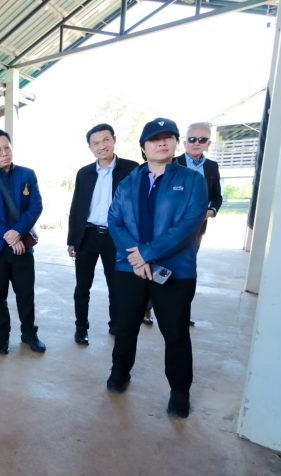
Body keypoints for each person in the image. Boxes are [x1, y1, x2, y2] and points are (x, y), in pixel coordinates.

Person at [106, 118, 207, 418]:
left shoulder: (192, 180)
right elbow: (115, 221)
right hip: (131, 270)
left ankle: (179, 392)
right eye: (154, 139)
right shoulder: (129, 182)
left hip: (175, 271)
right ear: (143, 147)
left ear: (175, 143)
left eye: (168, 137)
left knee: (175, 333)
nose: (162, 142)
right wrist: (136, 258)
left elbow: (189, 225)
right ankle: (119, 372)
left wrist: (147, 253)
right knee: (125, 326)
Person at [0, 129, 45, 355]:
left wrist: (18, 231)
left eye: (7, 148)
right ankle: (2, 337)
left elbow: (36, 206)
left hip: (22, 247)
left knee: (26, 294)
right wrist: (10, 235)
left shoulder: (27, 174)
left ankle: (29, 334)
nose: (4, 153)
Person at [67, 123, 138, 344]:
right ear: (90, 147)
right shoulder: (84, 173)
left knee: (116, 286)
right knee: (82, 286)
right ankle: (81, 328)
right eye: (96, 143)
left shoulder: (131, 169)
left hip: (116, 237)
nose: (101, 146)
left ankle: (116, 325)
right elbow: (76, 207)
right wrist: (72, 240)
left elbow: (137, 207)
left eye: (105, 140)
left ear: (114, 139)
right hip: (87, 235)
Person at [176, 122, 223, 250]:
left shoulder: (212, 167)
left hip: (198, 226)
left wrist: (210, 212)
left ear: (208, 143)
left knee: (191, 257)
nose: (197, 143)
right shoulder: (172, 163)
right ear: (185, 143)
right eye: (192, 139)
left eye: (202, 140)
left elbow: (217, 196)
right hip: (172, 224)